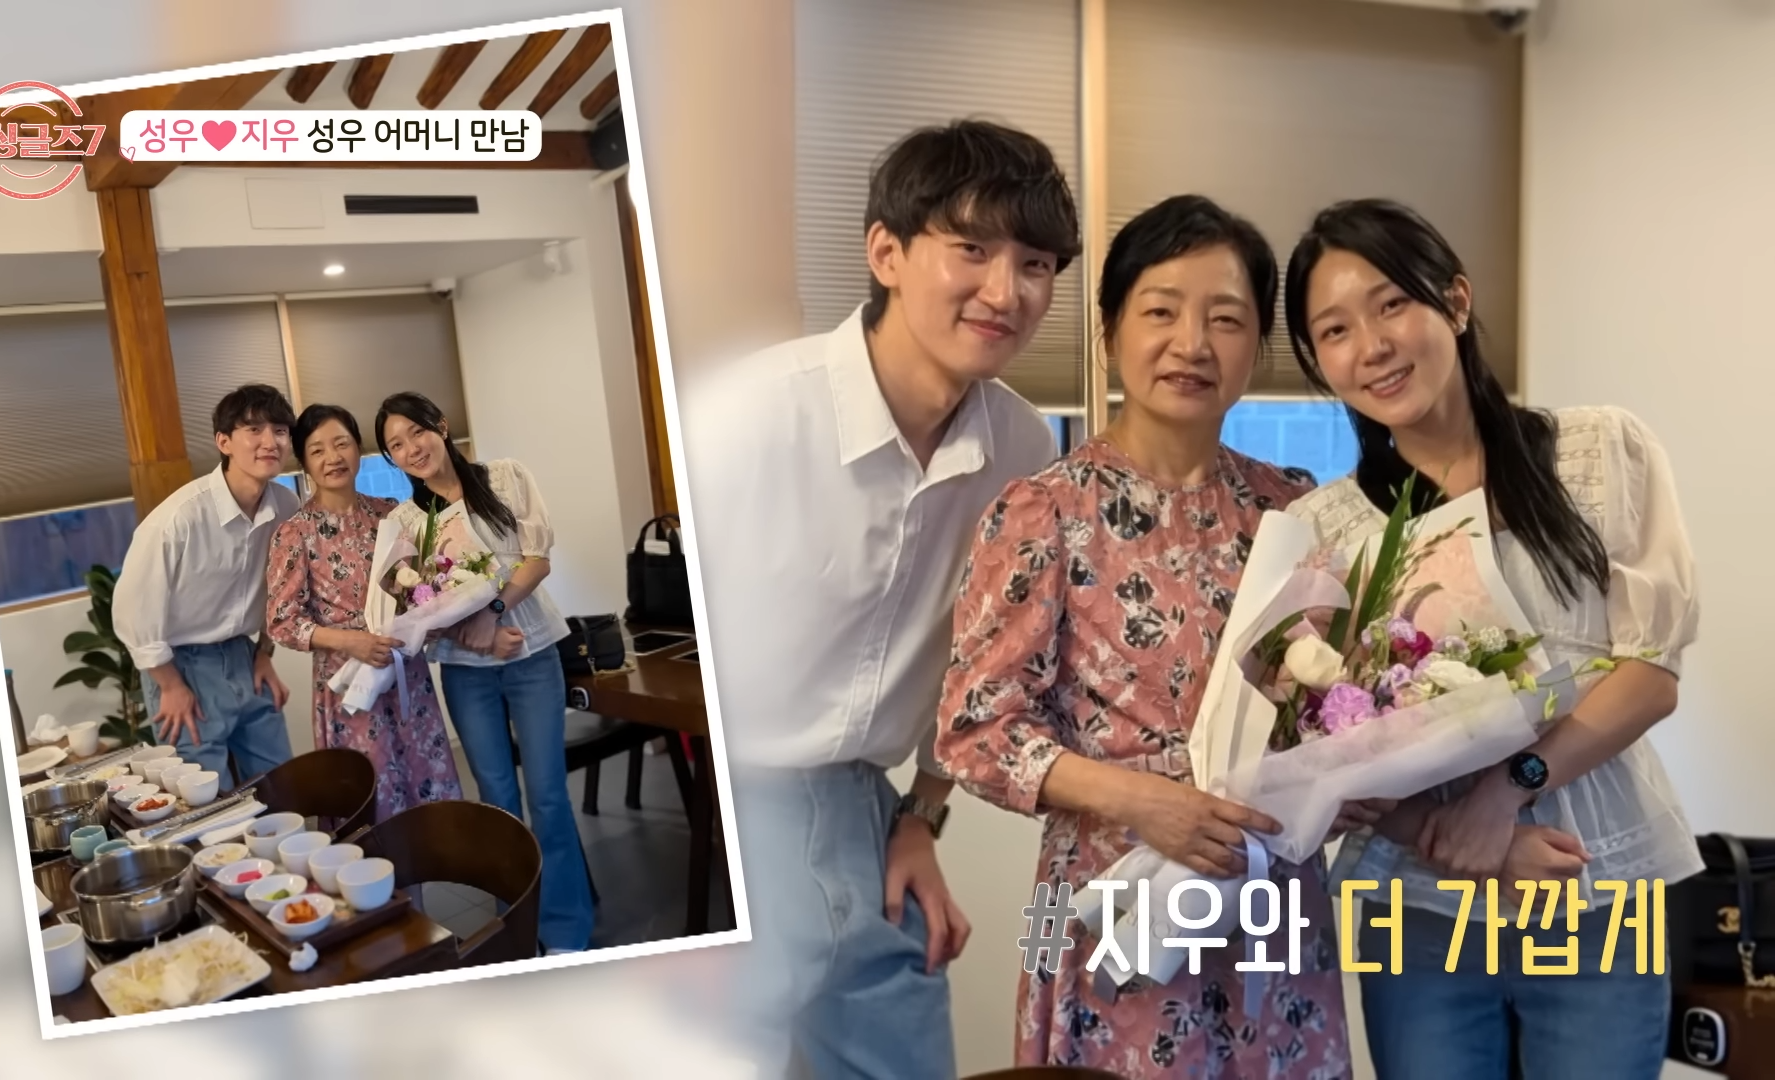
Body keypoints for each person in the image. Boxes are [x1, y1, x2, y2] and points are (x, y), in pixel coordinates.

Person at [681, 119, 1080, 1079]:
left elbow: (985, 652)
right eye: (972, 249)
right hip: (742, 806)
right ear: (887, 253)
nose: (1006, 291)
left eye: (1035, 263)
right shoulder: (751, 415)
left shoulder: (1023, 447)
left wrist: (921, 817)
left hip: (871, 813)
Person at [1282, 198, 1701, 1079]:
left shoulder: (1596, 450)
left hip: (1596, 887)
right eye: (1336, 330)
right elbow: (1323, 748)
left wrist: (1507, 792)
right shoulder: (1329, 528)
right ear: (1320, 362)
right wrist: (1460, 833)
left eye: (1392, 303)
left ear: (1457, 301)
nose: (1372, 346)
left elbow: (1650, 672)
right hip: (1420, 909)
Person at [934, 196, 1354, 1075]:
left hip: (1267, 885)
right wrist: (1144, 801)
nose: (1192, 343)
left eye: (1225, 319)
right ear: (1110, 333)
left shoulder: (1295, 509)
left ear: (1258, 348)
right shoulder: (1041, 509)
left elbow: (1334, 705)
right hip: (1101, 894)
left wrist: (1341, 781)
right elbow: (976, 731)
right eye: (1161, 311)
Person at [374, 391, 590, 955]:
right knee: (497, 804)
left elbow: (537, 559)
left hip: (533, 657)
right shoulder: (407, 523)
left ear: (441, 426)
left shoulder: (504, 478)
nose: (411, 448)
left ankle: (566, 929)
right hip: (467, 674)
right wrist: (471, 633)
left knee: (548, 798)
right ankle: (517, 931)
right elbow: (415, 610)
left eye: (416, 432)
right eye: (396, 445)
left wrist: (492, 612)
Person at [265, 403, 465, 820]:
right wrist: (350, 641)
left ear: (359, 448)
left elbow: (424, 587)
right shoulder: (295, 532)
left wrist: (426, 622)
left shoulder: (393, 513)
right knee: (372, 799)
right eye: (317, 450)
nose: (333, 457)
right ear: (304, 463)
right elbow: (282, 621)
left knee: (428, 793)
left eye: (342, 444)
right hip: (349, 686)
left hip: (405, 671)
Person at [113, 383, 299, 783]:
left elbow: (282, 588)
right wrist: (169, 685)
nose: (270, 442)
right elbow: (132, 610)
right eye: (254, 430)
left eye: (280, 431)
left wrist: (264, 652)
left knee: (283, 785)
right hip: (181, 666)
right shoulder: (179, 518)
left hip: (245, 655)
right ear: (224, 441)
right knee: (206, 799)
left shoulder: (287, 506)